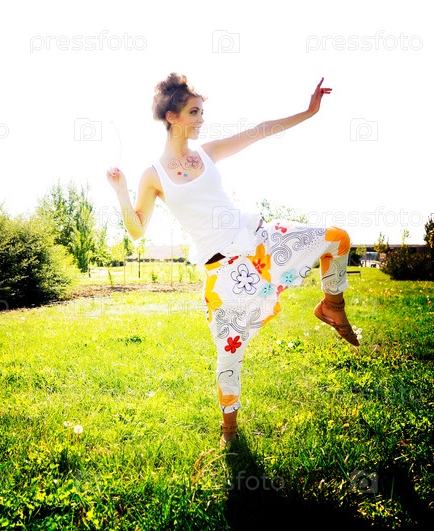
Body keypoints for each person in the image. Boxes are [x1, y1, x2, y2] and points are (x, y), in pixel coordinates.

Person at [106, 73, 359, 446]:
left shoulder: (206, 154)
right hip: (224, 272)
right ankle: (230, 432)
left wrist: (308, 112)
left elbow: (259, 131)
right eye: (194, 112)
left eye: (201, 111)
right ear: (172, 117)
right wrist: (122, 193)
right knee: (229, 356)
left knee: (337, 239)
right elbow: (137, 230)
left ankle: (332, 306)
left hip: (258, 241)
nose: (201, 118)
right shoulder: (154, 175)